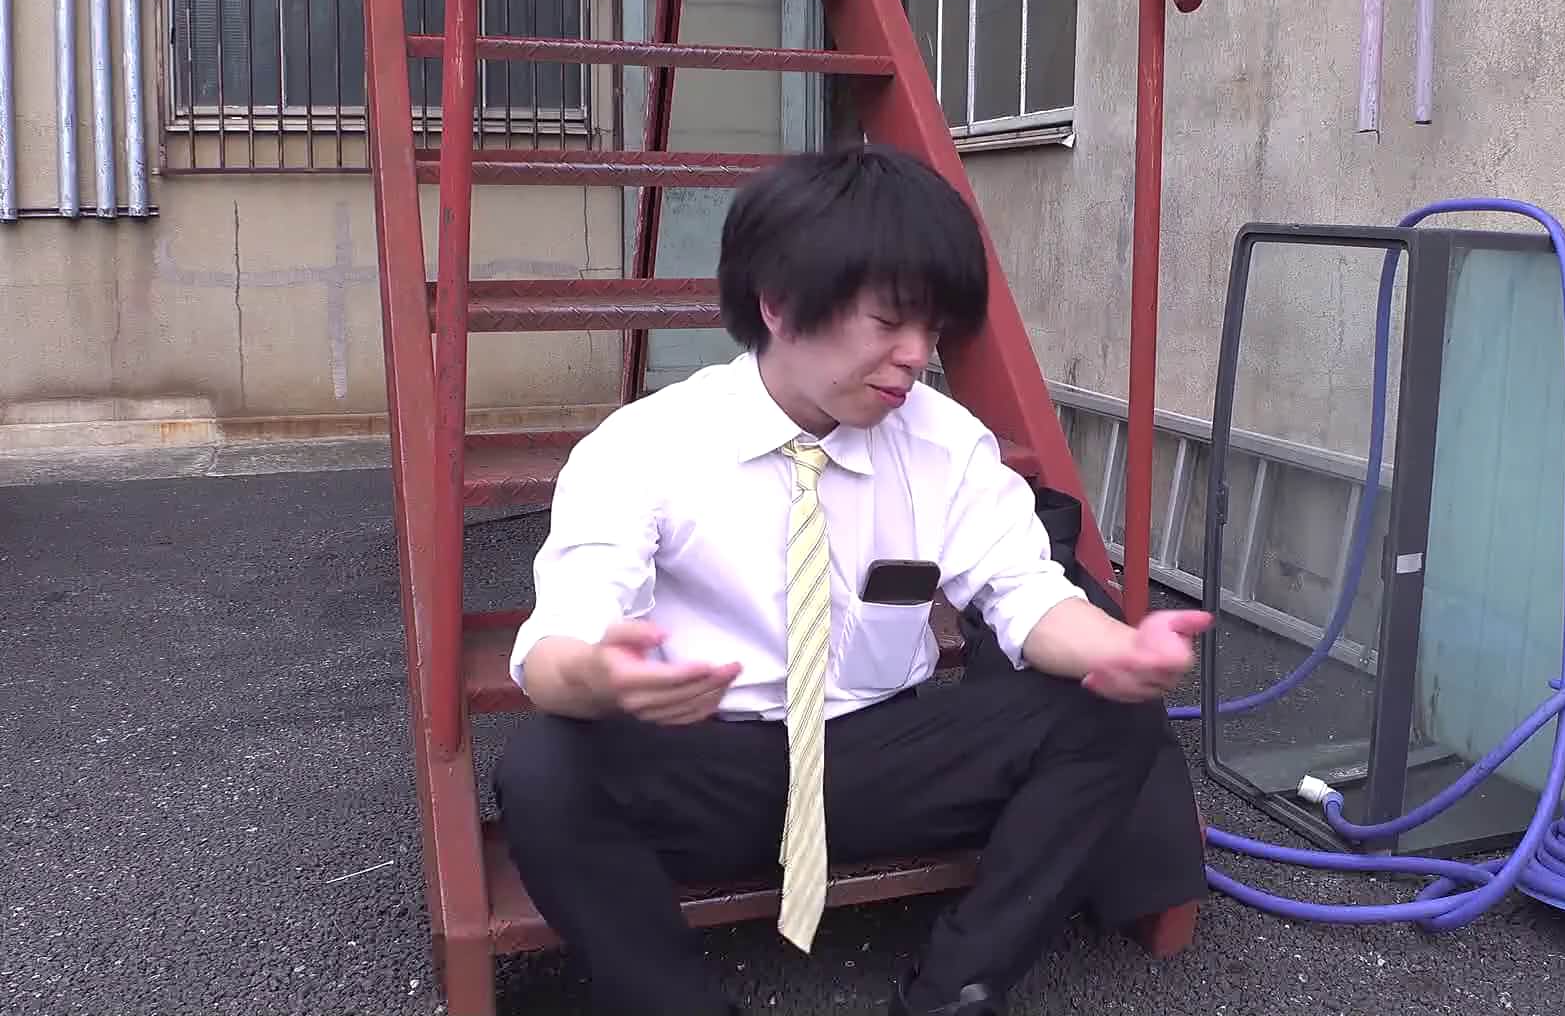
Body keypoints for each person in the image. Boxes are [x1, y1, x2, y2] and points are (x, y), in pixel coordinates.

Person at [492, 143, 1212, 1016]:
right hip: (711, 758)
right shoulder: (645, 446)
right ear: (780, 302)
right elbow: (559, 640)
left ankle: (952, 994)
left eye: (933, 330)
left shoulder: (945, 444)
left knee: (1110, 720)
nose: (916, 355)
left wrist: (1120, 649)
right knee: (544, 770)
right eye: (889, 322)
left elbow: (1025, 590)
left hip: (878, 754)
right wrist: (601, 679)